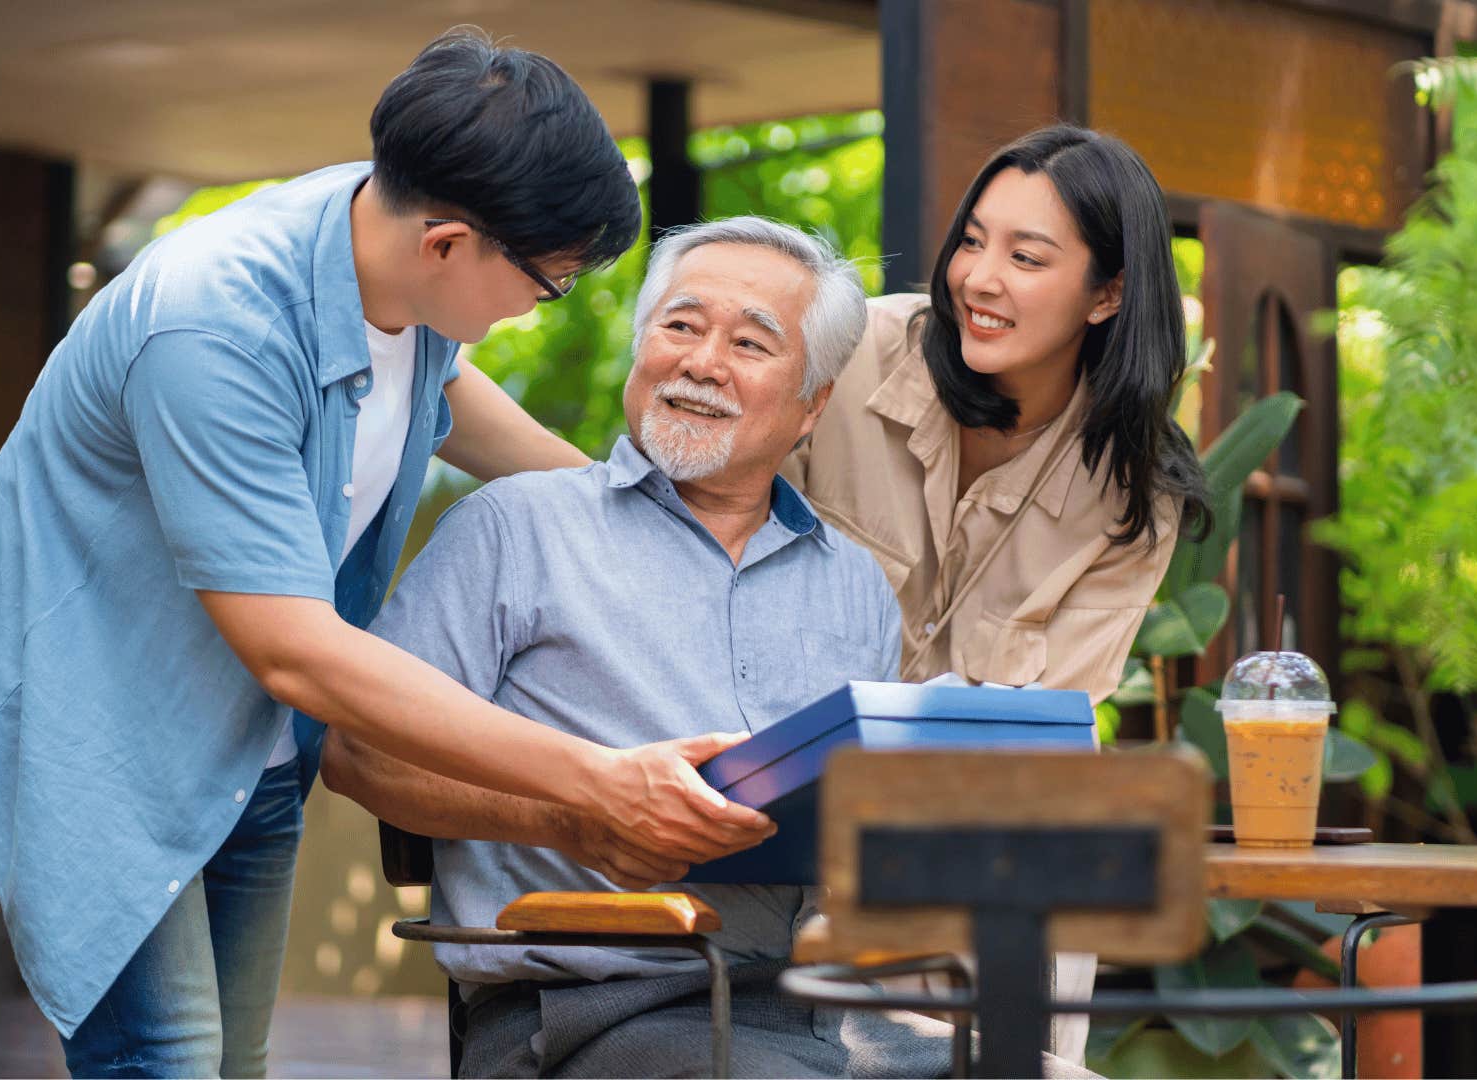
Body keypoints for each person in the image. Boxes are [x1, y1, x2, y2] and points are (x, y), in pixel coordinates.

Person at [0, 30, 770, 1077]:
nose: (535, 307)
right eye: (547, 283)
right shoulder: (215, 329)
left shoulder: (382, 232)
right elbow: (298, 652)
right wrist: (598, 782)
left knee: (234, 1063)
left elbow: (444, 391)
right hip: (104, 721)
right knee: (168, 1061)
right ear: (448, 244)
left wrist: (629, 516)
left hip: (249, 741)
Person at [322, 217, 1096, 1078]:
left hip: (813, 1012)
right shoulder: (517, 527)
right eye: (680, 326)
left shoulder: (852, 586)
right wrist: (575, 821)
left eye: (751, 343)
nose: (702, 362)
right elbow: (358, 753)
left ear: (814, 403)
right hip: (583, 1012)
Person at [780, 124, 1212, 1063]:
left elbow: (1048, 726)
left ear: (1110, 293)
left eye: (1026, 256)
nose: (979, 277)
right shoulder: (854, 354)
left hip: (976, 833)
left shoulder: (1136, 494)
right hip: (785, 804)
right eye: (973, 240)